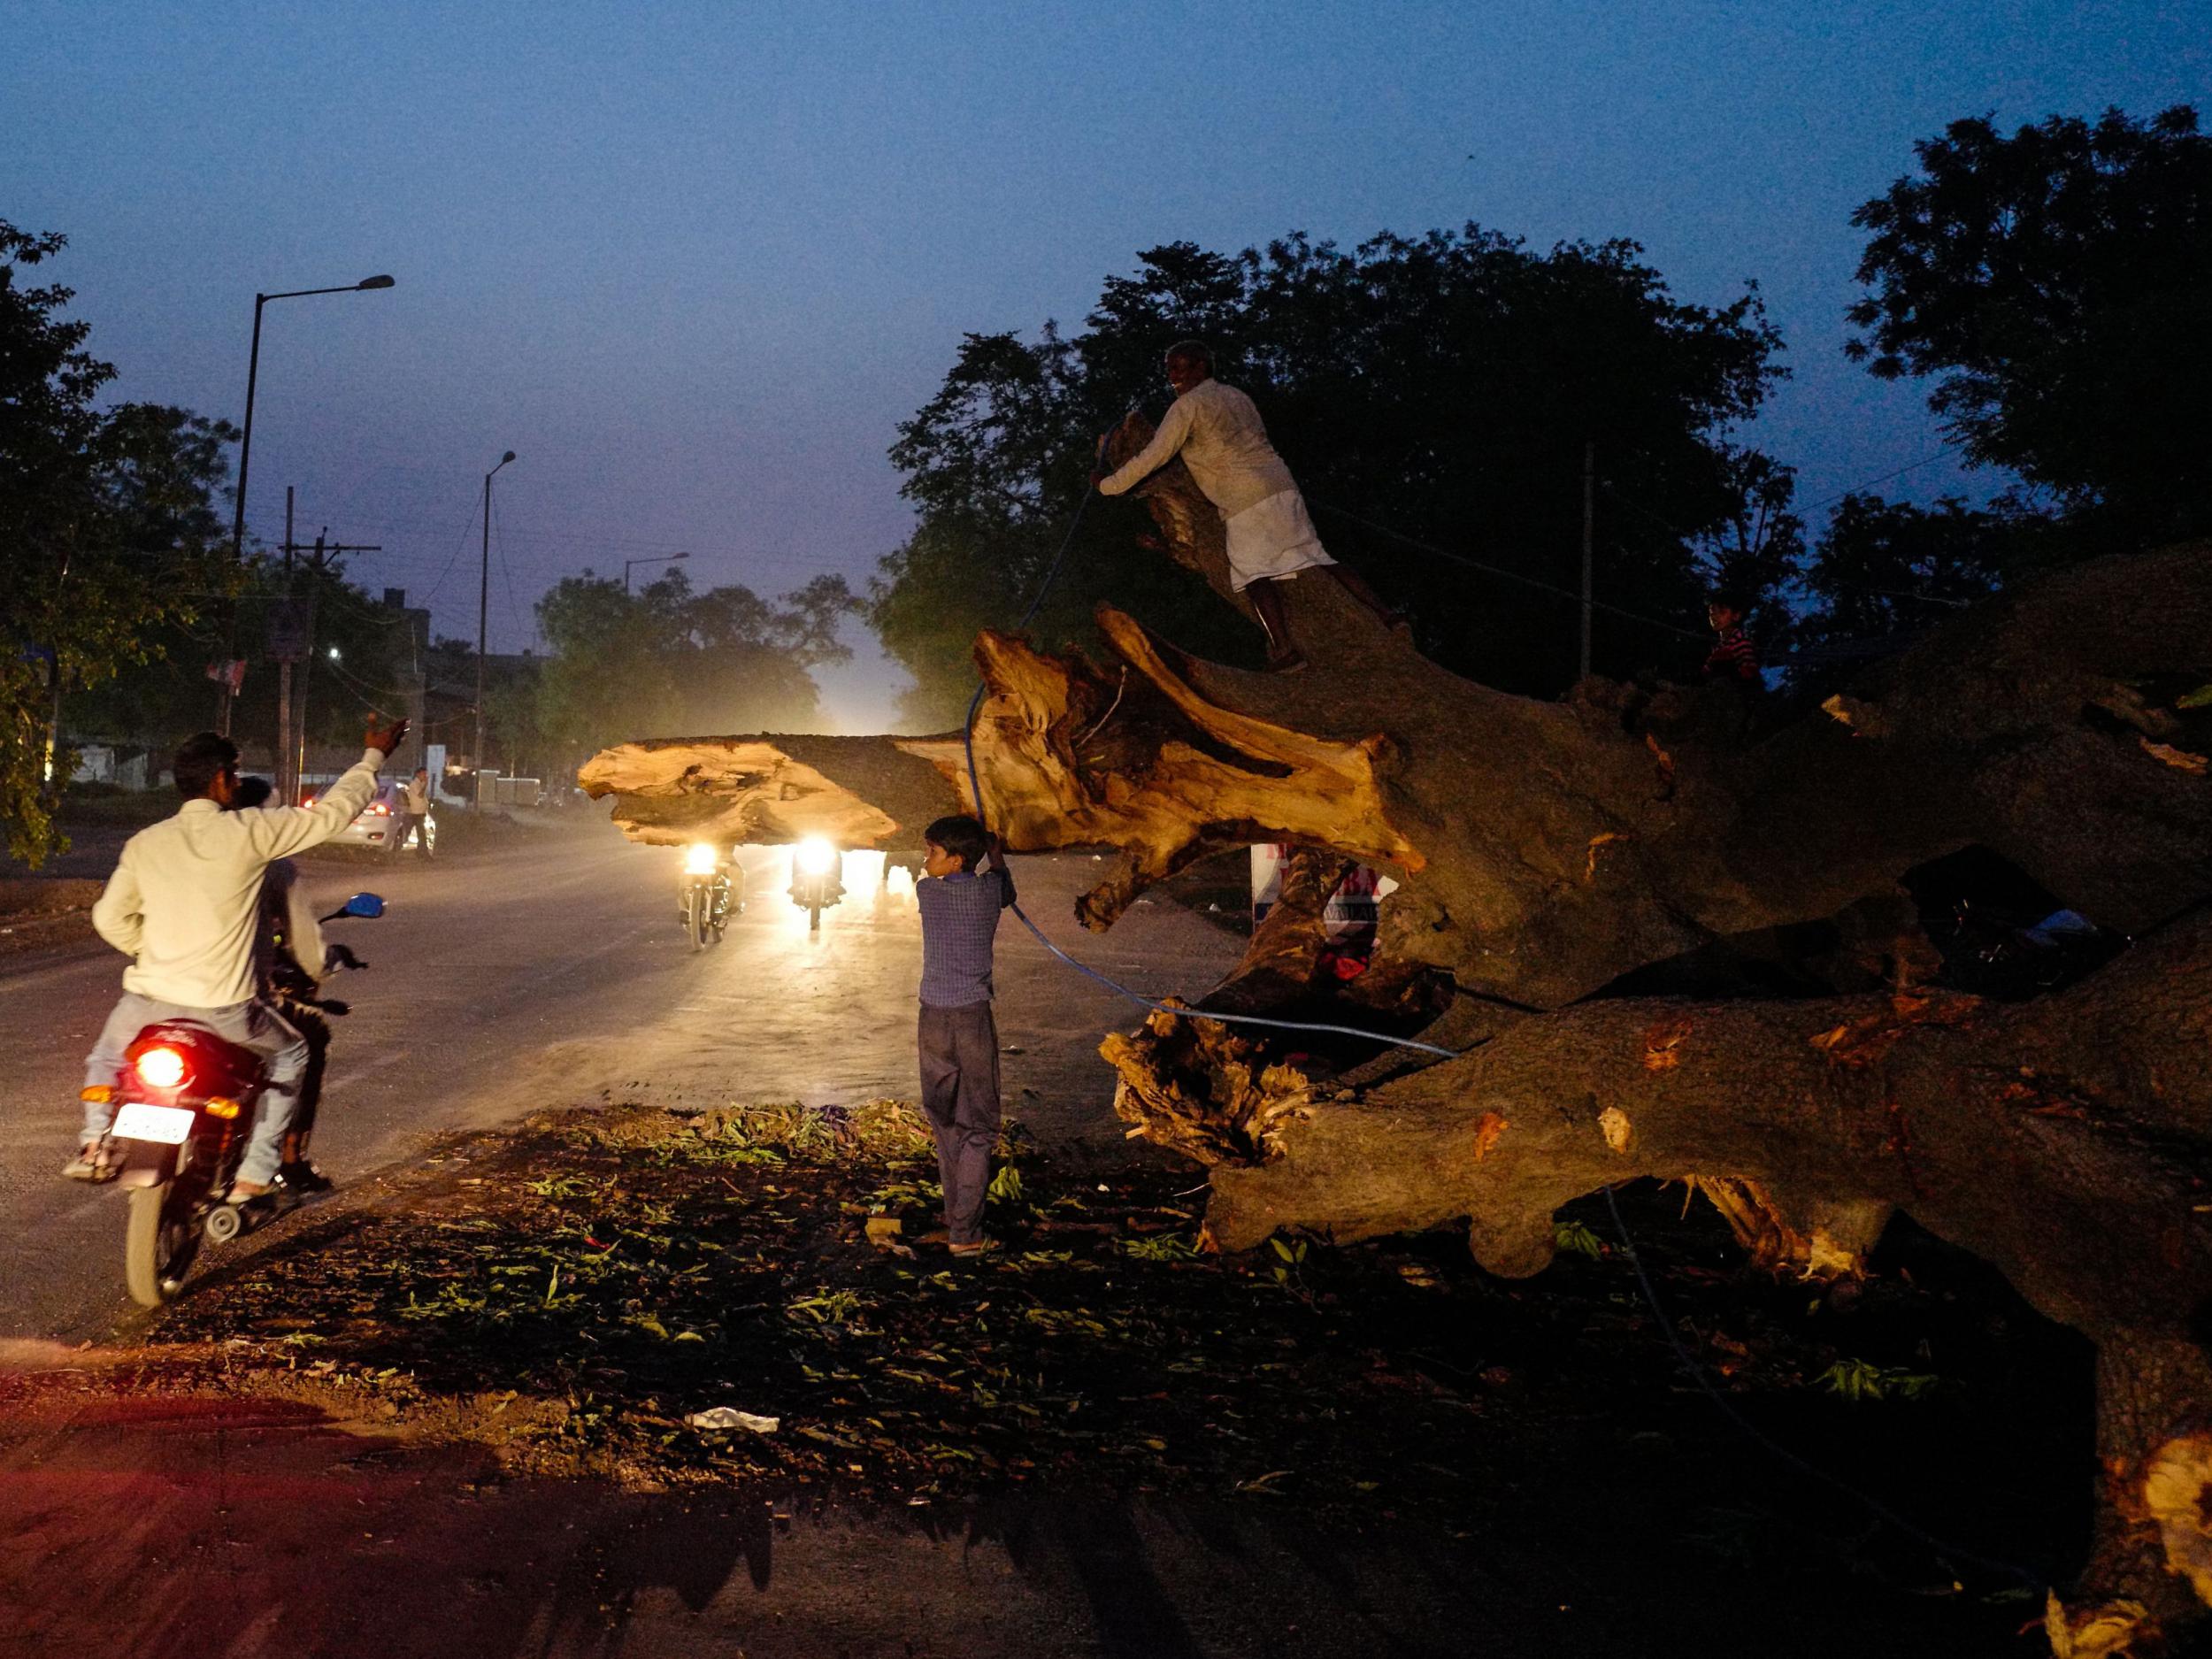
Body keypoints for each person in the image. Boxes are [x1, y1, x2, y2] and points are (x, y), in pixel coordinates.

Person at [67, 717, 406, 1201]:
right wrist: (372, 757)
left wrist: (155, 951)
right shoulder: (249, 834)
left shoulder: (145, 843)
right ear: (223, 779)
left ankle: (94, 1144)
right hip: (225, 1009)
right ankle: (254, 1175)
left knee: (105, 1056)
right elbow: (331, 815)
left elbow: (109, 918)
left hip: (147, 1001)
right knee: (293, 1055)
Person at [1092, 339, 1402, 671]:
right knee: (1316, 556)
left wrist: (1109, 485)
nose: (1173, 375)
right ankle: (1387, 614)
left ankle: (1284, 651)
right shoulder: (1237, 396)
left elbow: (1154, 455)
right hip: (1280, 485)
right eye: (1169, 368)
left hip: (1243, 497)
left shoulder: (1186, 407)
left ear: (1202, 367)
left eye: (1181, 366)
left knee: (1252, 575)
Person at [914, 813, 1016, 1257]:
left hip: (932, 1018)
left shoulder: (926, 892)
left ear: (955, 861)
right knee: (978, 1125)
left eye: (933, 851)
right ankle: (966, 1233)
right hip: (971, 1019)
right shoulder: (988, 892)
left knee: (945, 1122)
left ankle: (956, 1215)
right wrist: (996, 859)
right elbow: (1005, 889)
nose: (925, 858)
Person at [1703, 590, 1762, 685]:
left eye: (1722, 612)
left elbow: (1750, 673)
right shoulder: (1719, 646)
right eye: (1712, 612)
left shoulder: (1741, 642)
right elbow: (1706, 671)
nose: (1714, 617)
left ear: (1736, 616)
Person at [392, 766, 434, 858]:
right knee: (410, 833)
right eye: (423, 774)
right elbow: (420, 795)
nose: (425, 776)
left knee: (420, 834)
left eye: (425, 774)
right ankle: (397, 851)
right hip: (415, 813)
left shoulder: (419, 784)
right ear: (418, 774)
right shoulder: (415, 784)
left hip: (419, 813)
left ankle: (421, 853)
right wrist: (425, 785)